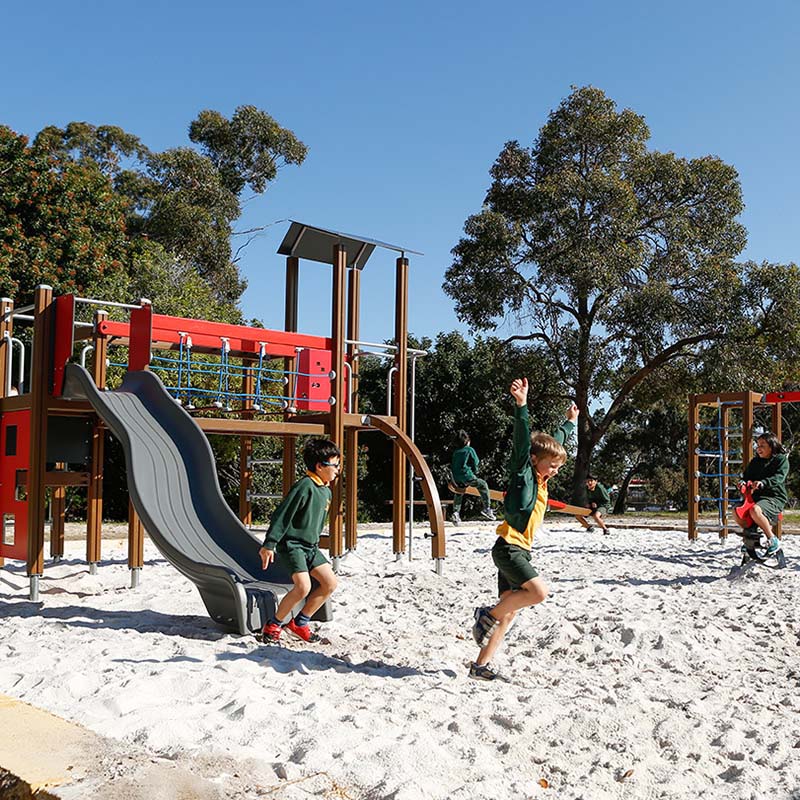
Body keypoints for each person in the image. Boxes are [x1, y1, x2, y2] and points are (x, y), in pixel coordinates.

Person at [469, 378, 578, 681]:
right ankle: (485, 615)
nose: (555, 471)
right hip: (508, 548)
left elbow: (553, 441)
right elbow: (523, 442)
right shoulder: (523, 472)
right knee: (538, 593)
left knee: (510, 611)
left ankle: (480, 666)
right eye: (552, 466)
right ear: (534, 460)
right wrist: (521, 405)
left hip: (521, 550)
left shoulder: (542, 479)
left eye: (557, 467)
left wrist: (569, 424)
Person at [258, 438, 340, 643]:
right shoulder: (305, 486)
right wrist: (269, 544)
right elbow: (282, 515)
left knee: (330, 583)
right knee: (302, 587)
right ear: (320, 466)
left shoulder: (326, 490)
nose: (338, 470)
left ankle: (300, 623)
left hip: (310, 548)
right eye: (335, 465)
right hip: (293, 545)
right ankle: (273, 625)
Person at [733, 431, 788, 556]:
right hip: (756, 498)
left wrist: (763, 483)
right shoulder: (755, 462)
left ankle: (772, 539)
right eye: (757, 445)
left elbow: (779, 477)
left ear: (772, 446)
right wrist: (742, 483)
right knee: (737, 511)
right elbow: (747, 477)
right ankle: (750, 537)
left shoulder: (780, 460)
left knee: (755, 510)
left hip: (774, 498)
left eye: (762, 445)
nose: (758, 448)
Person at [451, 430, 495, 524]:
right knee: (483, 485)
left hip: (456, 477)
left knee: (459, 491)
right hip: (467, 475)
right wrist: (474, 471)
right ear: (467, 442)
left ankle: (455, 512)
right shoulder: (469, 450)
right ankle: (487, 508)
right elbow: (476, 462)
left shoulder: (456, 452)